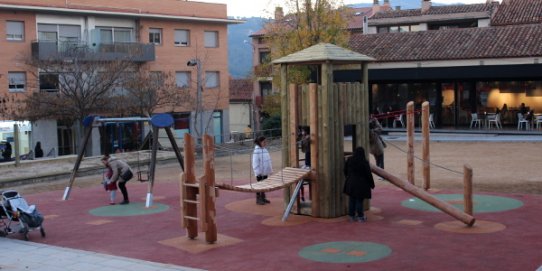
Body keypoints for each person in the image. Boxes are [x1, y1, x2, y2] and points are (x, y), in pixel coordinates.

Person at [343, 147, 375, 222]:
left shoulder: (350, 160)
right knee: (359, 200)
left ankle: (351, 216)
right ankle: (360, 216)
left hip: (351, 183)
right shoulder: (364, 162)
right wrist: (372, 184)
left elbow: (345, 170)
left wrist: (348, 177)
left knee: (352, 200)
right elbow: (368, 174)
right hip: (361, 184)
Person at [252, 136, 273, 205]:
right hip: (260, 172)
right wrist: (257, 172)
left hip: (265, 172)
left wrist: (270, 170)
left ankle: (263, 197)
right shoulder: (256, 151)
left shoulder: (265, 150)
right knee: (259, 185)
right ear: (260, 142)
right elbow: (255, 163)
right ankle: (258, 199)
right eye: (264, 142)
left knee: (264, 184)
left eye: (266, 142)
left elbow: (268, 161)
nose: (265, 143)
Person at [299, 126, 311, 201]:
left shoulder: (308, 137)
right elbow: (303, 147)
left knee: (308, 155)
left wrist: (305, 139)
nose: (302, 132)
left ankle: (308, 165)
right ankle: (307, 164)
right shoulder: (304, 137)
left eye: (303, 131)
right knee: (307, 155)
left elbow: (306, 143)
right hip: (307, 151)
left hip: (309, 151)